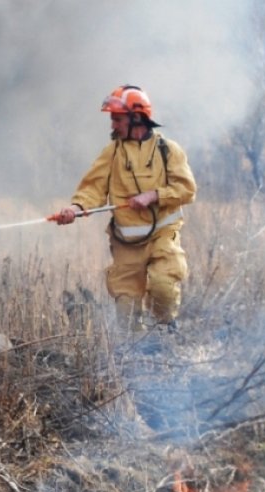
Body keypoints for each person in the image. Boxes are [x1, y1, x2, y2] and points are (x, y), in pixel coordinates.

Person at [55, 84, 196, 337]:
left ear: (137, 117)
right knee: (126, 314)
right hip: (126, 244)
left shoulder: (168, 150)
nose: (113, 125)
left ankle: (167, 333)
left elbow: (187, 190)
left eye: (117, 119)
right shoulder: (112, 153)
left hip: (163, 236)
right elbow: (93, 188)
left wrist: (154, 195)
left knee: (163, 288)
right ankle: (141, 352)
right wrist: (76, 208)